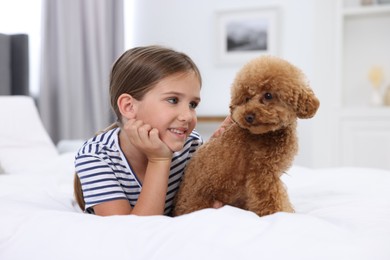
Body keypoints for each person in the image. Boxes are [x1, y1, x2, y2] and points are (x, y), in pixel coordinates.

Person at [74, 45, 230, 216]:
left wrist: (219, 154)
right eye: (172, 100)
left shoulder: (190, 145)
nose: (187, 116)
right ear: (129, 106)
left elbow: (203, 201)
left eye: (192, 104)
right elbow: (134, 232)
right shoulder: (96, 157)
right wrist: (159, 160)